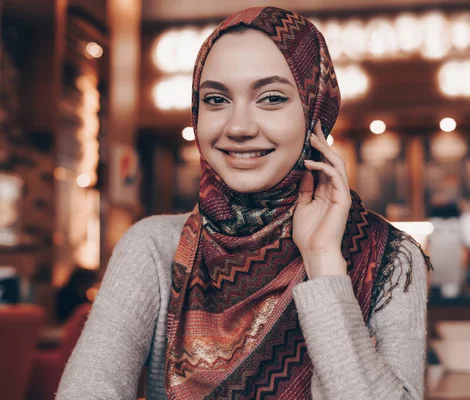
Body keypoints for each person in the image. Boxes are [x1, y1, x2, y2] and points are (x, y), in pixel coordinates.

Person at [57, 6, 432, 400]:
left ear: (315, 110)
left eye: (271, 98)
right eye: (216, 99)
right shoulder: (153, 248)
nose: (238, 127)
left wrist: (324, 264)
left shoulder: (389, 258)